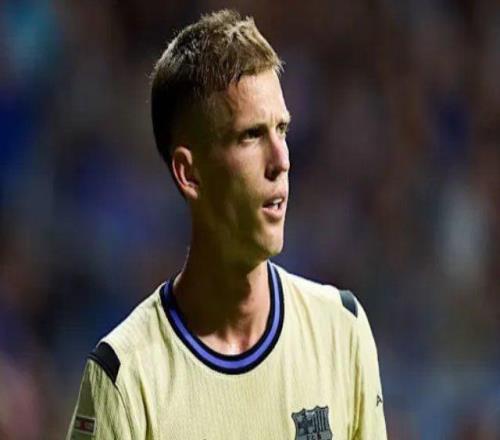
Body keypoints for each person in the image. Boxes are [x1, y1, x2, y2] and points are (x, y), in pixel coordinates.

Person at [66, 9, 387, 439]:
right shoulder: (126, 377)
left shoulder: (342, 331)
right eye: (251, 135)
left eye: (282, 129)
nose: (281, 160)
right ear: (189, 173)